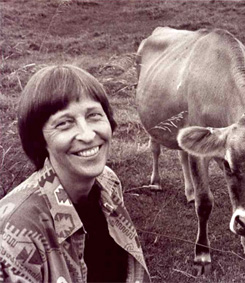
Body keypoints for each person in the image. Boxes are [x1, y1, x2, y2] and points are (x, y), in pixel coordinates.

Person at [0, 65, 150, 282]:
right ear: (39, 140)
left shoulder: (108, 182)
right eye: (64, 123)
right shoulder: (13, 233)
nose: (88, 135)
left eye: (94, 115)